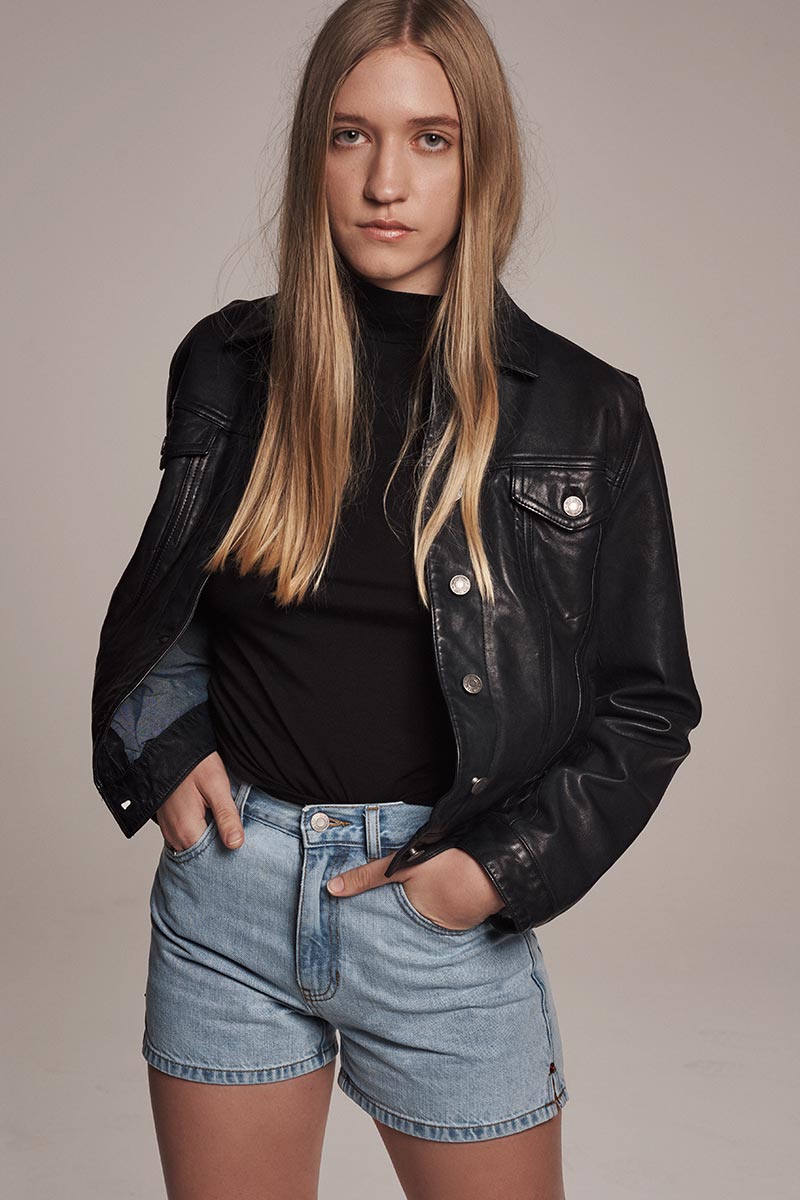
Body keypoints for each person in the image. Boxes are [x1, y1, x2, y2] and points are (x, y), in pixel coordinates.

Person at [90, 1, 702, 1197]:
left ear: (482, 160)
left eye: (431, 139)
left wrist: (489, 875)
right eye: (349, 135)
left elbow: (646, 706)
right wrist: (160, 744)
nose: (385, 181)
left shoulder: (585, 410)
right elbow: (169, 604)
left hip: (435, 909)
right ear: (311, 155)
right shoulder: (227, 364)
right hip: (229, 897)